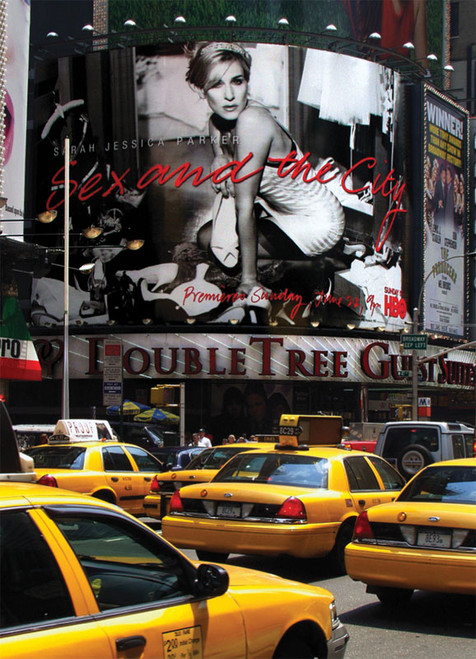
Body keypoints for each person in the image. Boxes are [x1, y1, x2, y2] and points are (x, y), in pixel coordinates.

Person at [186, 42, 345, 303]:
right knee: (207, 238)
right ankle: (297, 261)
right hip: (281, 214)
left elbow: (244, 206)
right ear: (203, 90)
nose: (229, 95)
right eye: (216, 85)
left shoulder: (252, 121)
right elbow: (214, 124)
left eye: (237, 81)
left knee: (221, 250)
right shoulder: (226, 116)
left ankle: (318, 263)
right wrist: (219, 156)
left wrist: (249, 279)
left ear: (247, 82)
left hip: (316, 223)